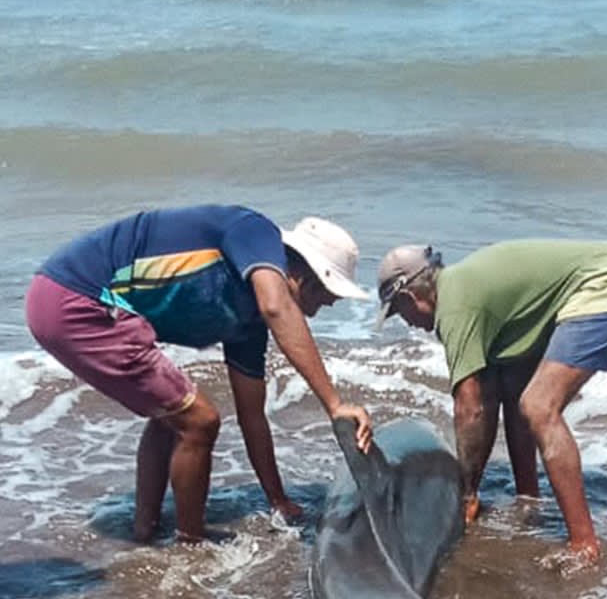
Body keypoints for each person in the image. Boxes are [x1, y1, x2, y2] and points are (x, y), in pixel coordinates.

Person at [26, 205, 373, 543]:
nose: (329, 305)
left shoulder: (247, 324)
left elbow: (252, 417)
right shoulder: (254, 230)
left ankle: (145, 530)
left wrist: (277, 499)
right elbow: (276, 306)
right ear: (307, 277)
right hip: (77, 297)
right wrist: (334, 404)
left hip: (63, 300)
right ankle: (190, 543)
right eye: (331, 295)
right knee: (200, 420)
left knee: (173, 416)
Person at [375, 239, 607, 563]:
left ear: (411, 296)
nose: (404, 322)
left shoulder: (455, 308)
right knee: (516, 389)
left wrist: (466, 493)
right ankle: (529, 499)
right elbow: (489, 395)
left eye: (398, 311)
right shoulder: (460, 287)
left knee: (538, 406)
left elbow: (470, 407)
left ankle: (584, 546)